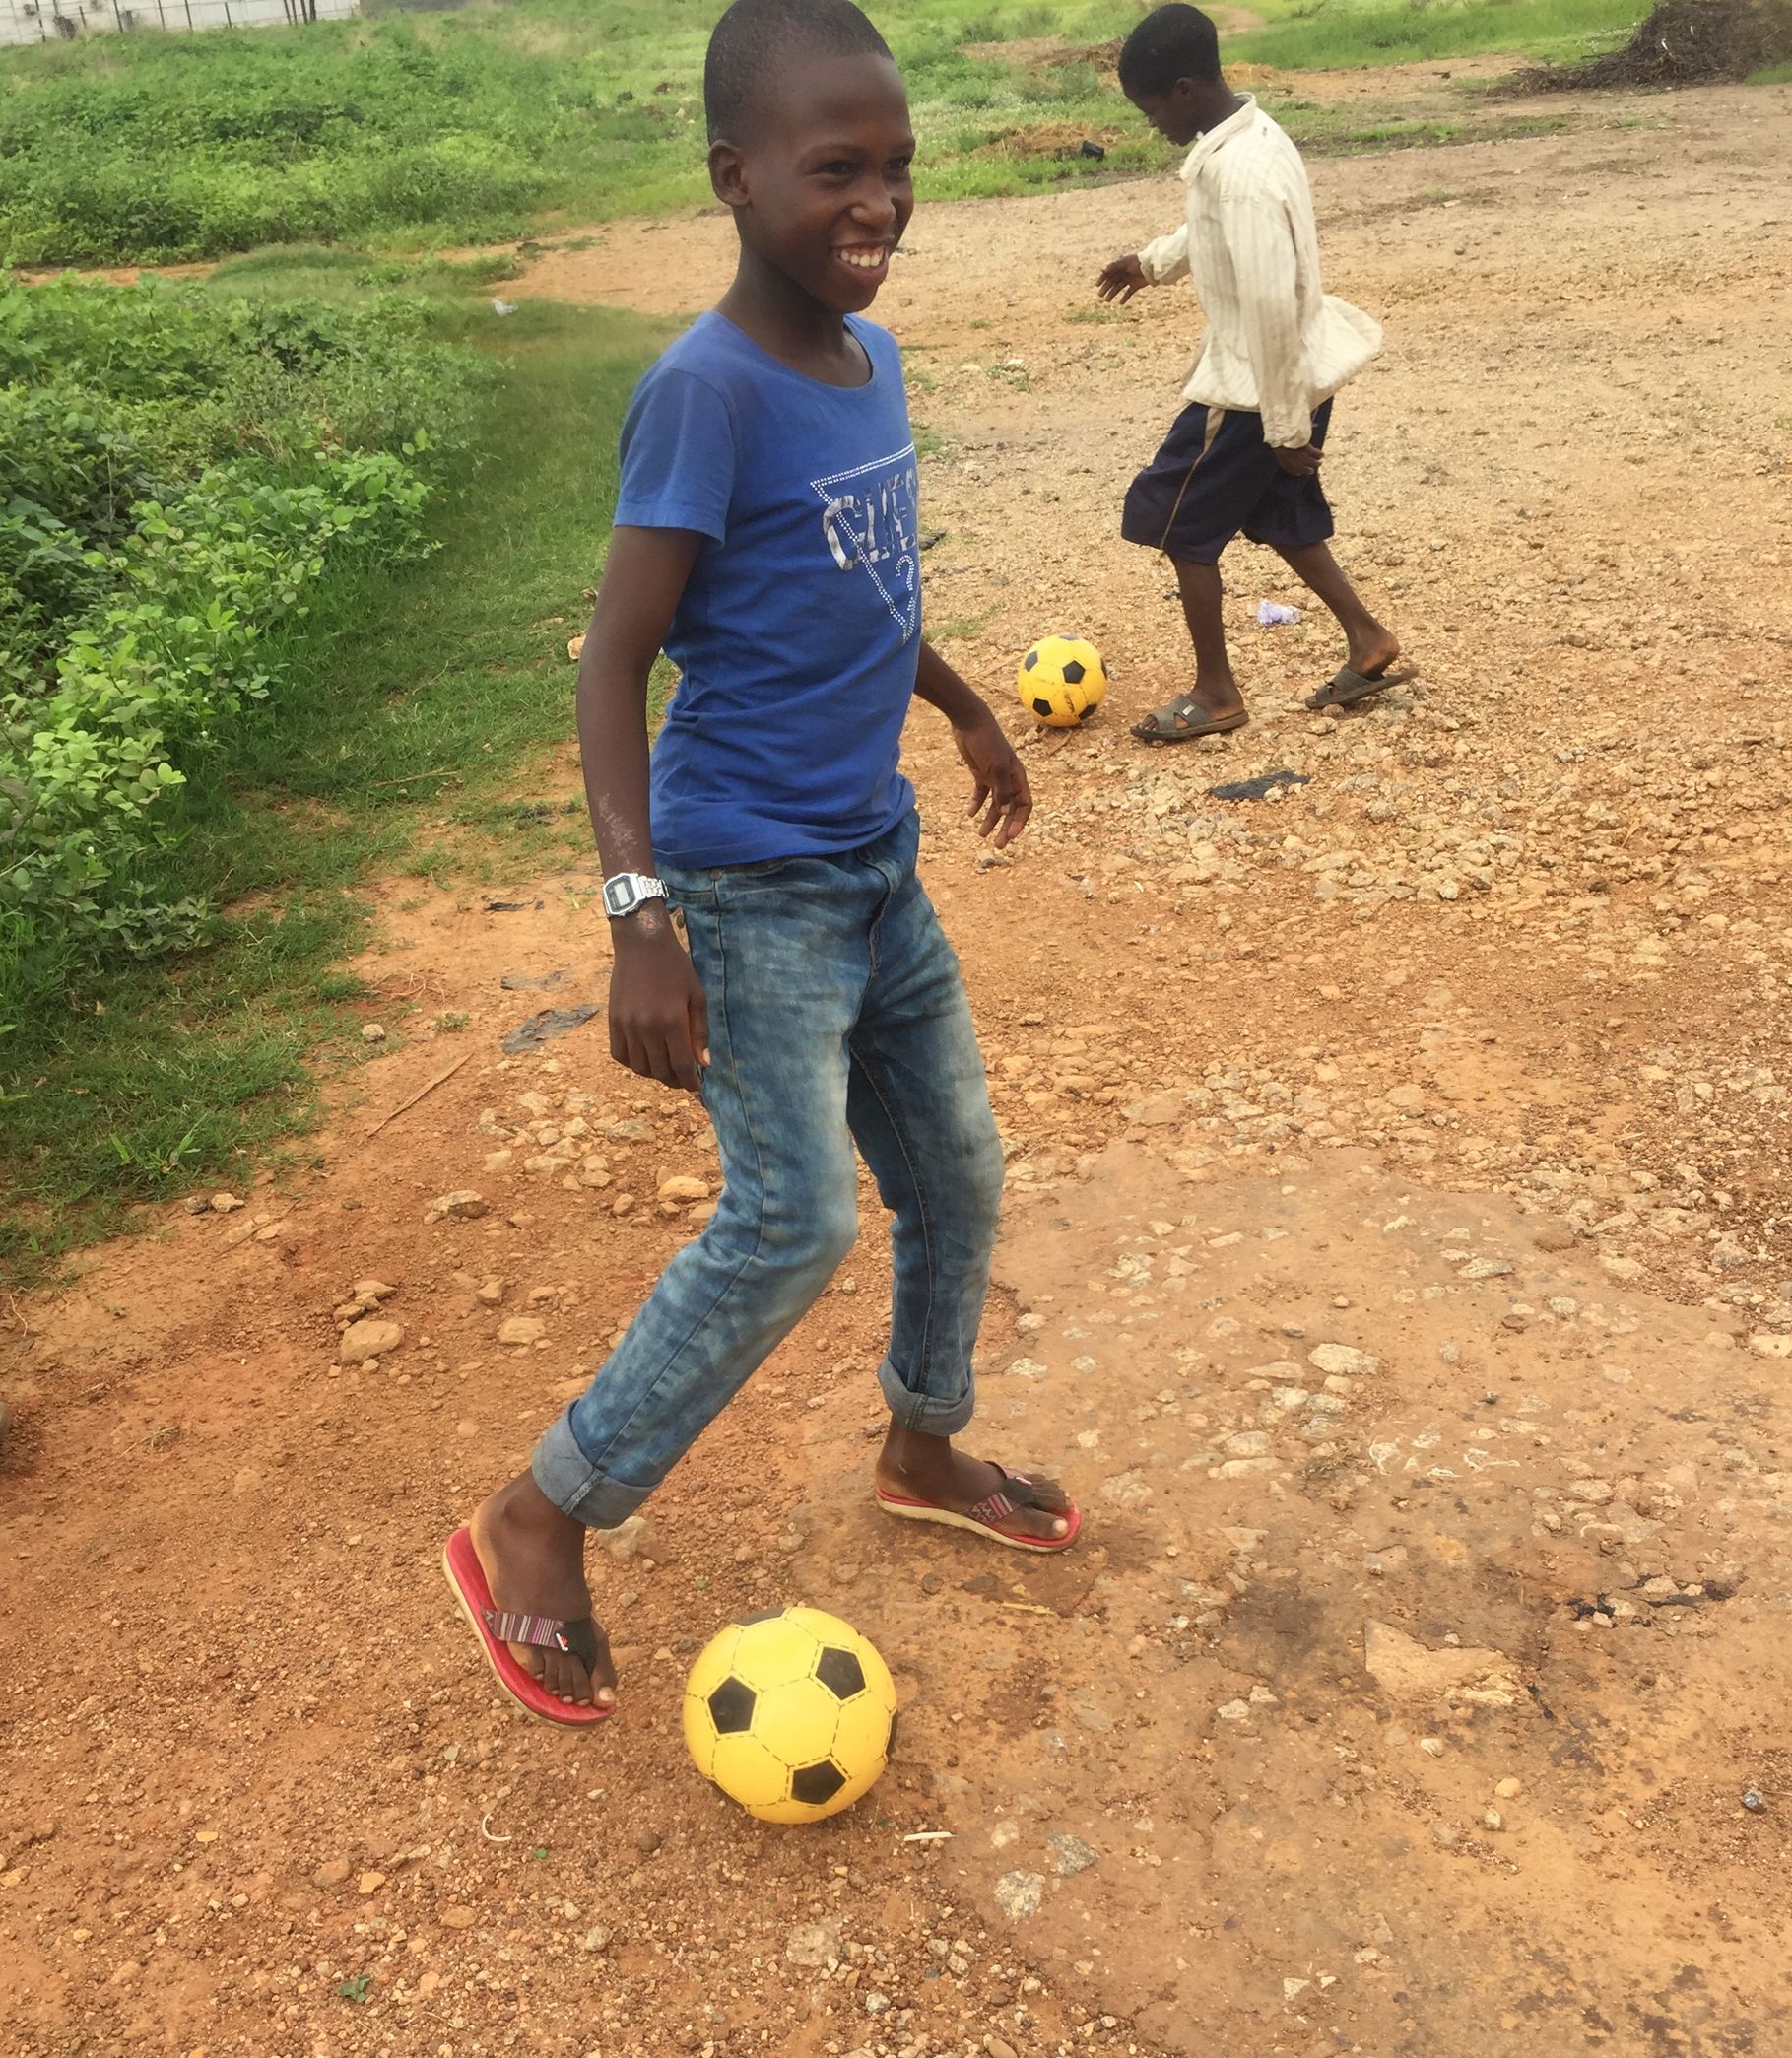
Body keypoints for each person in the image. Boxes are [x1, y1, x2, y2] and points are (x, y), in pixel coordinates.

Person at [444, 0, 1082, 1725]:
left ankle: (922, 1449)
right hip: (745, 887)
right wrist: (637, 916)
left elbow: (861, 590)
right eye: (834, 170)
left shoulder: (871, 363)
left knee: (957, 1173)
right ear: (735, 177)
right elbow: (611, 662)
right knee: (793, 1217)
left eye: (897, 168)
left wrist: (963, 708)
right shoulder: (704, 393)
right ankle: (539, 1515)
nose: (878, 203)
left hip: (875, 863)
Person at [1096, 2, 1408, 742]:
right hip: (1291, 371)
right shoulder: (1251, 138)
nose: (1151, 124)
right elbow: (1214, 233)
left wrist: (1284, 428)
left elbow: (1267, 306)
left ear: (1183, 90)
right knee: (1276, 513)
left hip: (1253, 390)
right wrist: (1150, 263)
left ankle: (1216, 693)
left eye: (1150, 109)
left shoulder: (1239, 175)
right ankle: (1368, 639)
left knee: (1177, 523)